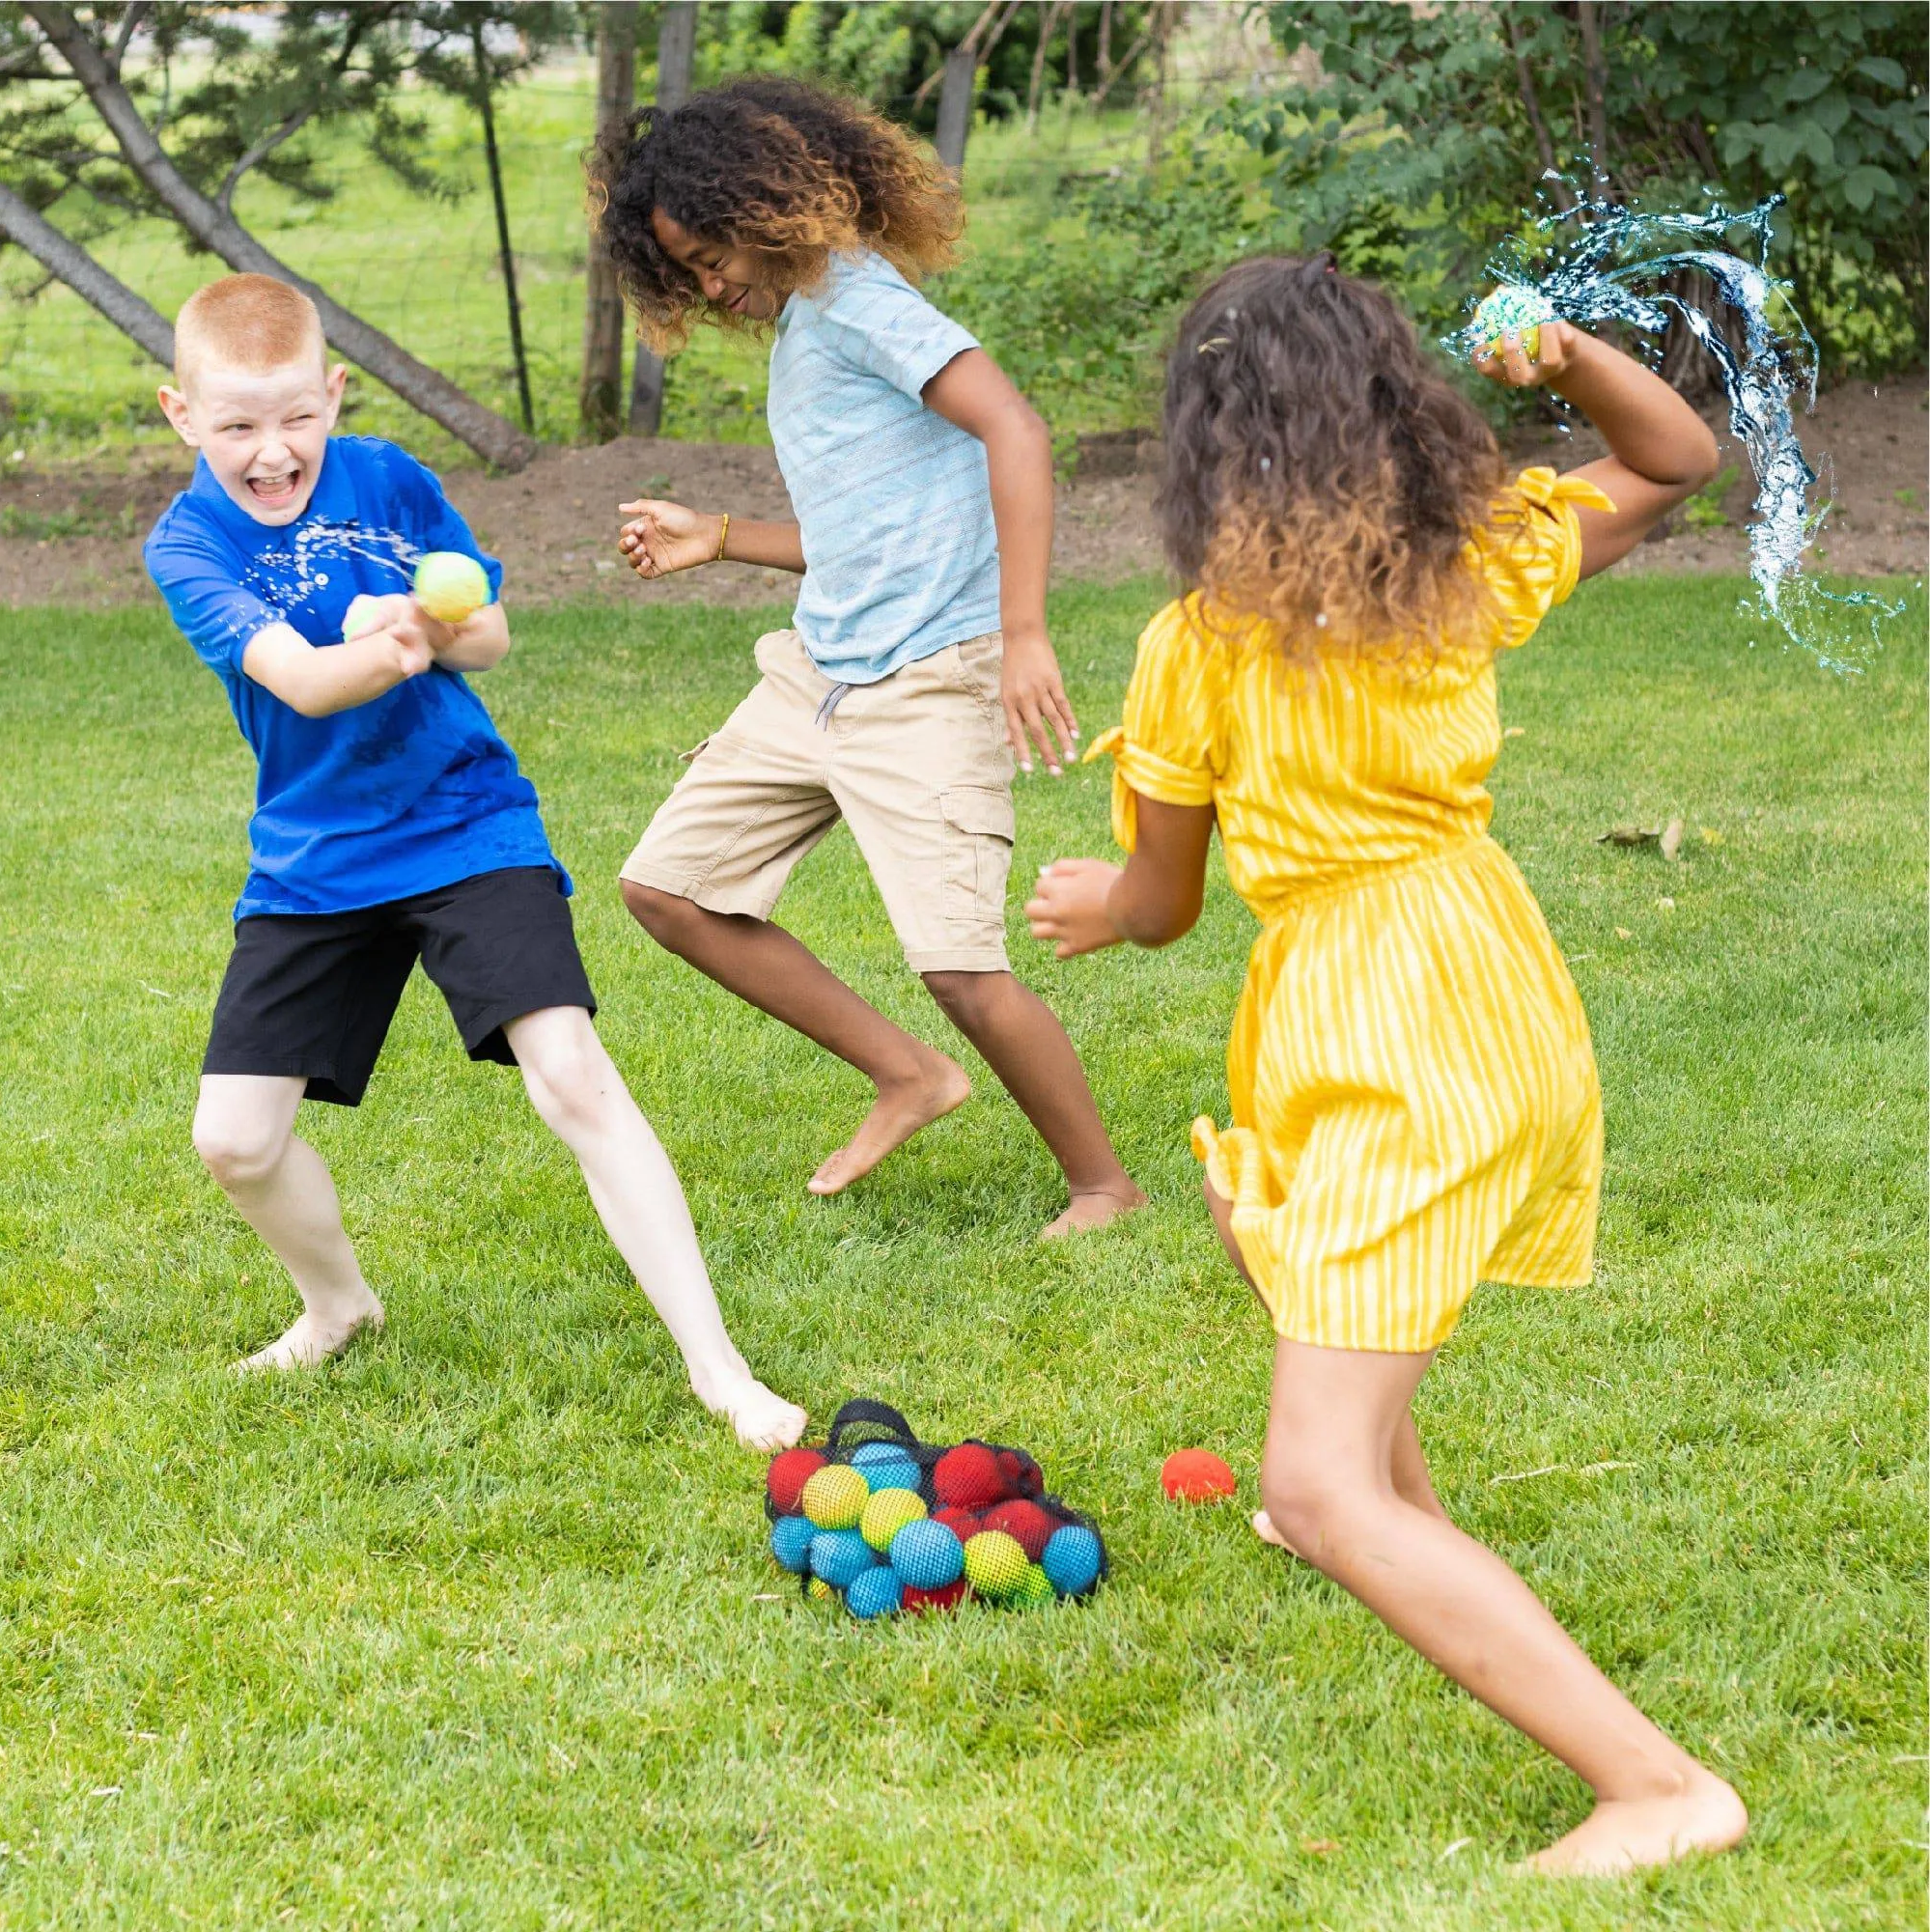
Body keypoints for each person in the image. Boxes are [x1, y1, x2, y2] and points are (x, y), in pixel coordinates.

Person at [1025, 256, 1748, 1873]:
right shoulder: (1462, 563)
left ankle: (1659, 1788)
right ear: (1395, 411)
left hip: (1384, 1025)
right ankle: (1378, 1516)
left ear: (1203, 442)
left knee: (1318, 1473)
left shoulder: (1194, 647)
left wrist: (1094, 899)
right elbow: (1677, 464)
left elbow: (1160, 903)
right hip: (1482, 977)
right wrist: (1564, 361)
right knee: (1265, 1220)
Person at [144, 272, 805, 1450]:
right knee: (233, 1141)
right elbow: (297, 677)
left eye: (296, 415)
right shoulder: (189, 540)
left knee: (572, 1076)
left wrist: (424, 623)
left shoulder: (391, 478)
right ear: (182, 416)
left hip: (465, 823)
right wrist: (399, 639)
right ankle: (339, 1306)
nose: (271, 449)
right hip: (314, 859)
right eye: (237, 424)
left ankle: (722, 1373)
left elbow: (489, 631)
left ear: (333, 394)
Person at [587, 77, 1143, 1239]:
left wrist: (1025, 632)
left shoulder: (858, 302)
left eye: (709, 252)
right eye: (683, 271)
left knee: (960, 967)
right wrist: (723, 538)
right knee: (668, 886)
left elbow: (1017, 428)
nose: (708, 282)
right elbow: (864, 529)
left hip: (931, 676)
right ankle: (909, 1075)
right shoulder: (809, 323)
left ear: (764, 199)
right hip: (821, 673)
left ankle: (1105, 1185)